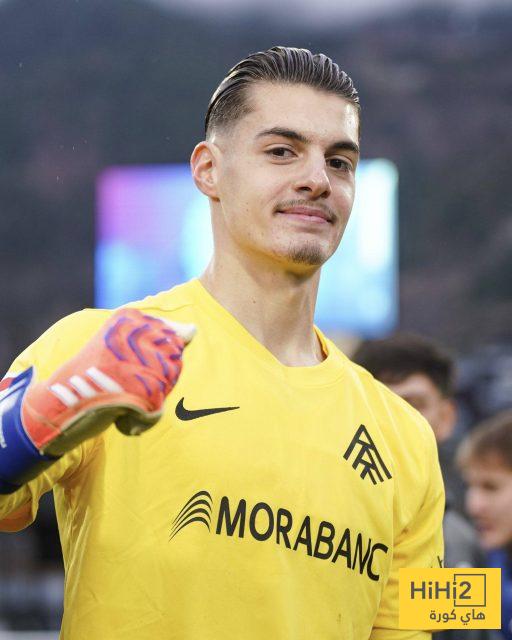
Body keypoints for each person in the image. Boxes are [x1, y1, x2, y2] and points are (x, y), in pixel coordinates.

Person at [0, 47, 444, 639]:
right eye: (282, 151)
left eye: (339, 162)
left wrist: (492, 596)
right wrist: (37, 420)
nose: (317, 179)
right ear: (209, 170)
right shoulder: (106, 349)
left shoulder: (406, 437)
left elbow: (418, 626)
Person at [352, 333, 495, 640]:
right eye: (380, 403)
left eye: (412, 405)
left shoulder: (461, 542)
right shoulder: (317, 515)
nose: (396, 421)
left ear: (446, 417)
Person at [457, 410, 512, 639]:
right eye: (470, 486)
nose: (474, 505)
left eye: (491, 487)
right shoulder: (488, 558)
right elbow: (401, 607)